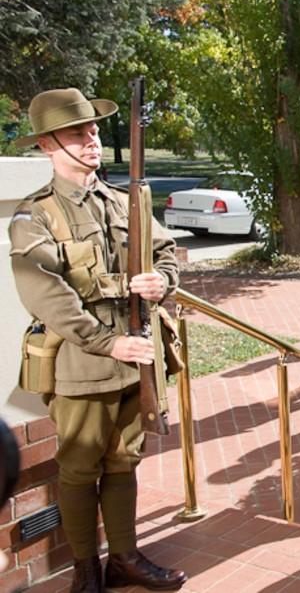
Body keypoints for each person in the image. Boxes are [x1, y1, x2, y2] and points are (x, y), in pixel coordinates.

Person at [9, 88, 187, 592]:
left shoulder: (122, 200)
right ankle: (87, 569)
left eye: (91, 130)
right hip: (85, 364)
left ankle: (124, 558)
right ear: (47, 145)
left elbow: (168, 251)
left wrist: (163, 280)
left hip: (138, 359)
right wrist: (108, 343)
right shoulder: (36, 215)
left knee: (124, 461)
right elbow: (45, 293)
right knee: (80, 468)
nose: (90, 140)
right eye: (75, 133)